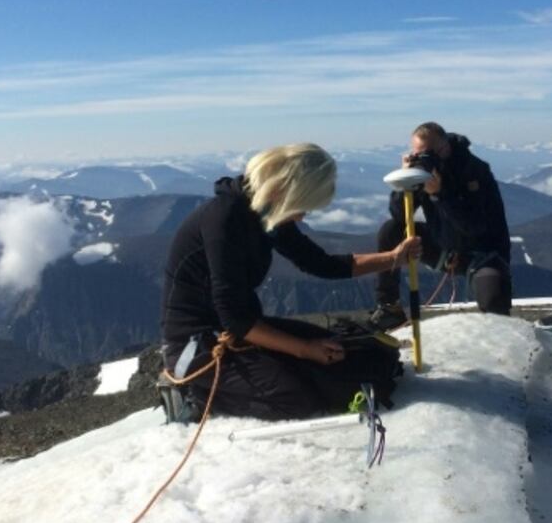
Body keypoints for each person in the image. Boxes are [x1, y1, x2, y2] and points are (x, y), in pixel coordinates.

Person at [160, 143, 420, 422]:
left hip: (239, 329)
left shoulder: (265, 212)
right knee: (296, 398)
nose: (303, 215)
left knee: (354, 354)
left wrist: (394, 258)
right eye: (304, 205)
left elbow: (321, 264)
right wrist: (305, 349)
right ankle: (191, 395)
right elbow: (235, 317)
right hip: (195, 346)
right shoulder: (224, 220)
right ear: (286, 191)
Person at [370, 122, 512, 329]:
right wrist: (405, 182)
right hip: (443, 245)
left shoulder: (474, 170)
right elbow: (400, 215)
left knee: (494, 303)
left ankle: (505, 342)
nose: (424, 159)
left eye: (427, 154)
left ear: (444, 147)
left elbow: (475, 226)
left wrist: (439, 194)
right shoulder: (424, 170)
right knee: (391, 230)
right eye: (418, 153)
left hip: (484, 252)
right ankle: (389, 306)